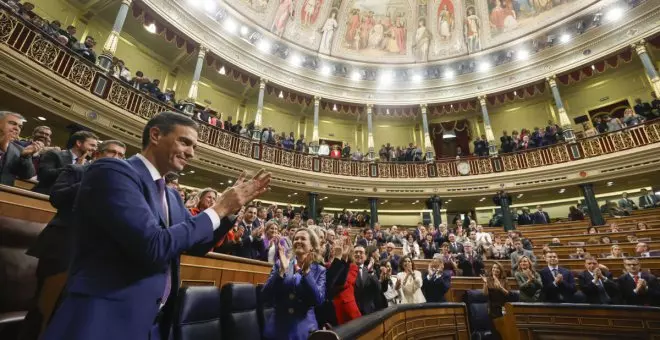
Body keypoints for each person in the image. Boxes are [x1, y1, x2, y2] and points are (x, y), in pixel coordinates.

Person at [42, 112, 271, 340]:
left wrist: (229, 212)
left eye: (194, 147)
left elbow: (196, 245)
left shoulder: (171, 196)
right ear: (155, 135)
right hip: (101, 317)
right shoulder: (113, 172)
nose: (191, 153)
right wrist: (219, 208)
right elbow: (152, 245)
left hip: (152, 320)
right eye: (185, 142)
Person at [21, 140, 126, 340]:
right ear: (97, 155)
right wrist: (94, 180)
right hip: (62, 244)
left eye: (121, 156)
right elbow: (57, 197)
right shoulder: (76, 170)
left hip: (93, 254)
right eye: (112, 153)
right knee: (45, 305)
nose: (117, 158)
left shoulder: (120, 185)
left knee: (71, 311)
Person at [262, 229, 326, 340]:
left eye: (303, 238)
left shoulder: (320, 270)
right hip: (278, 329)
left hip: (304, 331)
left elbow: (318, 300)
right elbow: (265, 295)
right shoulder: (281, 264)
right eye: (296, 238)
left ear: (312, 246)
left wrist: (307, 274)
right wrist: (281, 271)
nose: (298, 241)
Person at [33, 131, 99, 194]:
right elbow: (44, 175)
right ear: (79, 143)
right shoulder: (55, 154)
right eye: (92, 145)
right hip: (43, 196)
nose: (94, 149)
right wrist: (74, 167)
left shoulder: (88, 165)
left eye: (95, 146)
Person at [0, 111, 40, 185]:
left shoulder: (19, 150)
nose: (17, 128)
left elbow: (27, 175)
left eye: (20, 126)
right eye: (12, 123)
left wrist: (25, 157)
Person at [481, 261, 510, 336]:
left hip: (502, 307)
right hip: (492, 308)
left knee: (502, 330)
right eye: (494, 267)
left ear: (500, 270)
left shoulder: (504, 280)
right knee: (494, 330)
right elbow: (485, 294)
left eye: (497, 268)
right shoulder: (488, 280)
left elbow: (508, 294)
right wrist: (485, 283)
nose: (495, 269)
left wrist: (500, 287)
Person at [353, 245, 380, 315]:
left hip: (368, 312)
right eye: (356, 252)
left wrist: (371, 271)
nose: (358, 254)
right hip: (352, 310)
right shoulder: (347, 270)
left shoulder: (370, 270)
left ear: (365, 257)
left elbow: (378, 288)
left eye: (361, 252)